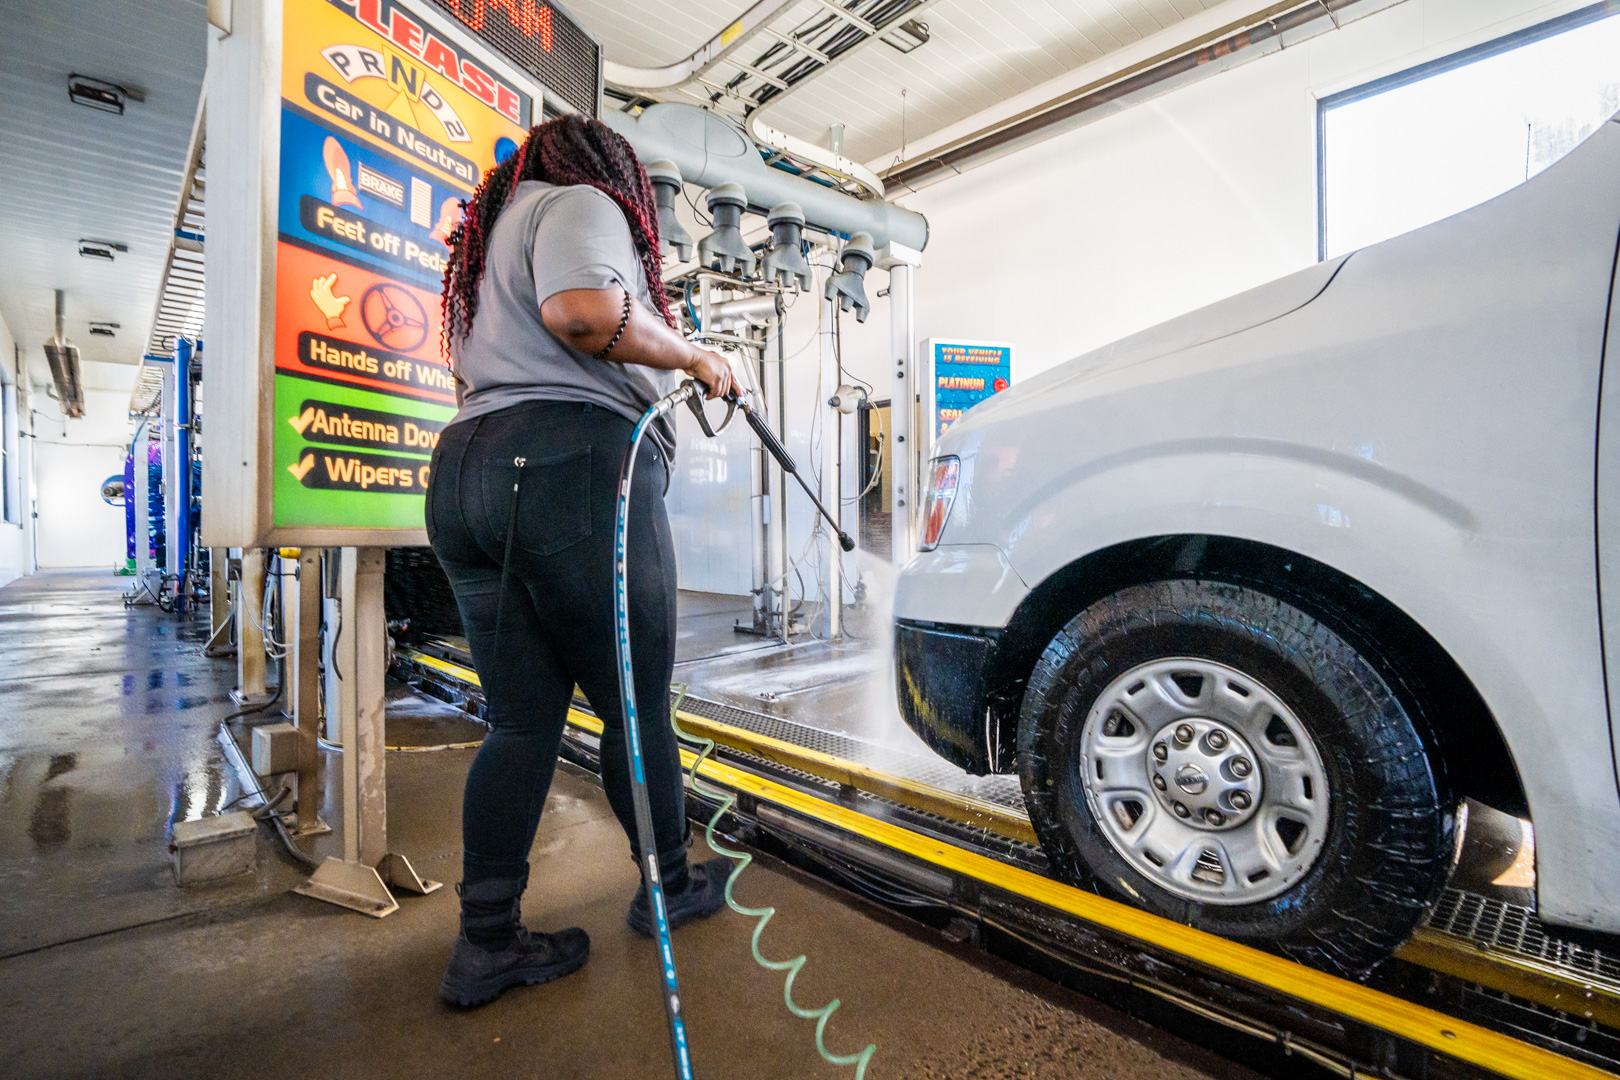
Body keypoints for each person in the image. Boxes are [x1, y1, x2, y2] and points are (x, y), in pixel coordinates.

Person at [428, 114, 736, 1008]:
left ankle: (486, 943)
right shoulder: (576, 202)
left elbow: (489, 369)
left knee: (522, 722)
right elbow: (584, 312)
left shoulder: (488, 249)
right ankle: (669, 887)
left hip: (465, 471)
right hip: (572, 466)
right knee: (635, 709)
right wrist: (697, 358)